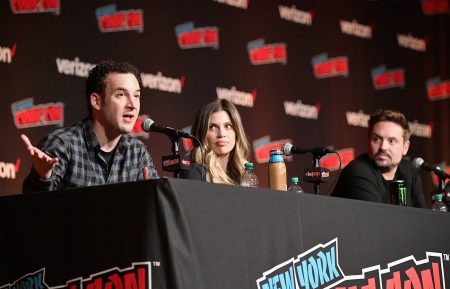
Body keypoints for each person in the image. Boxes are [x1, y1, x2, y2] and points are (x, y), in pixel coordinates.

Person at [21, 60, 158, 193]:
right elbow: (33, 208)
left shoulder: (137, 152)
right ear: (96, 101)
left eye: (136, 95)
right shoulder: (63, 144)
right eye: (121, 95)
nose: (132, 105)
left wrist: (162, 192)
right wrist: (43, 176)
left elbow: (158, 205)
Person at [332, 109, 426, 208]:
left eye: (391, 141)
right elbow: (378, 219)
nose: (383, 147)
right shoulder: (358, 171)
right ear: (368, 140)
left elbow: (423, 217)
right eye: (376, 139)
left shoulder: (409, 171)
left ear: (405, 147)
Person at [181, 99, 251, 185]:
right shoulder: (196, 174)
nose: (221, 134)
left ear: (237, 132)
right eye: (212, 127)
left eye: (228, 126)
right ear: (202, 134)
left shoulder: (243, 174)